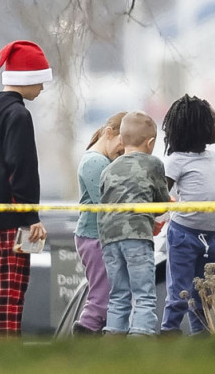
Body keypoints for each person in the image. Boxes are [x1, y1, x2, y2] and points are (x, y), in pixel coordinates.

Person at [0, 40, 51, 338]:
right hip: (11, 215)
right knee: (12, 294)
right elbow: (22, 167)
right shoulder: (18, 115)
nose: (42, 88)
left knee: (2, 292)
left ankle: (0, 354)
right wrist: (30, 214)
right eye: (40, 79)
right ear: (27, 78)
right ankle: (6, 357)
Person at [160, 95, 215, 336]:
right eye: (212, 122)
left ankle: (200, 332)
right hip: (183, 235)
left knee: (205, 288)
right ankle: (169, 330)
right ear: (198, 128)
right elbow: (161, 192)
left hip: (211, 236)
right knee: (180, 288)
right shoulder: (176, 162)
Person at [98, 111, 170, 336]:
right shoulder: (153, 165)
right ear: (150, 143)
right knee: (144, 293)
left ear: (121, 140)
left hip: (109, 238)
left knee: (118, 294)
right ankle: (140, 337)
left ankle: (114, 338)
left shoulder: (108, 169)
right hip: (137, 235)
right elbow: (162, 201)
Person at [72, 112, 126, 335]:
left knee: (108, 293)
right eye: (121, 149)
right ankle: (85, 335)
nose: (121, 155)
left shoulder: (101, 160)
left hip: (100, 235)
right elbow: (104, 201)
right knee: (101, 295)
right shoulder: (95, 162)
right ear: (109, 132)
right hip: (94, 236)